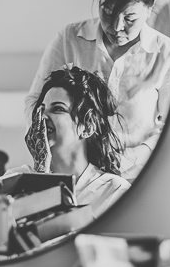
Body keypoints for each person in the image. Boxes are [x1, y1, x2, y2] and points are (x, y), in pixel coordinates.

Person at [25, 0, 170, 181]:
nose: (117, 27)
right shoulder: (70, 40)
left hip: (136, 179)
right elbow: (35, 103)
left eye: (129, 18)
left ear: (150, 8)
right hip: (73, 176)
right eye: (108, 12)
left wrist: (131, 159)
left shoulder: (167, 54)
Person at [19, 66, 130, 219]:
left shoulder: (114, 191)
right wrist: (40, 170)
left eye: (58, 109)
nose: (42, 116)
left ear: (88, 127)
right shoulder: (16, 180)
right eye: (41, 109)